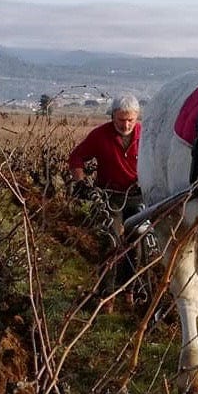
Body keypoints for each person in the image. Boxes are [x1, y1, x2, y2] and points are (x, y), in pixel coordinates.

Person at [68, 93, 144, 311]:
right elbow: (76, 158)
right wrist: (82, 183)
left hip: (138, 195)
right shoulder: (100, 136)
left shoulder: (146, 135)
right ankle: (106, 294)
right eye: (121, 120)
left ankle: (129, 290)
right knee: (110, 241)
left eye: (130, 120)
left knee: (135, 242)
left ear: (137, 117)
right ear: (113, 116)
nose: (126, 124)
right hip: (109, 195)